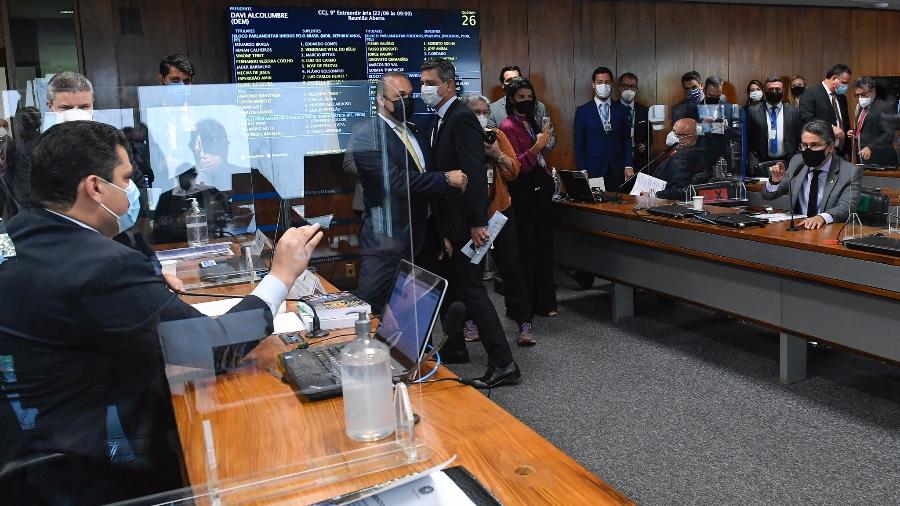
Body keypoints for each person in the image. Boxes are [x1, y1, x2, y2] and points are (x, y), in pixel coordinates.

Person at [0, 120, 324, 504]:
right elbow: (216, 348)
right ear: (94, 187)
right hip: (92, 467)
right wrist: (281, 276)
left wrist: (142, 287)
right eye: (125, 178)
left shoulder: (18, 236)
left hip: (34, 445)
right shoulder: (98, 266)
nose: (132, 192)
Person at [419, 58, 520, 387]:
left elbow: (474, 175)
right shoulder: (439, 120)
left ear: (447, 85)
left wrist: (478, 223)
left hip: (469, 222)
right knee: (463, 287)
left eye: (429, 83)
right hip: (452, 222)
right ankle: (458, 348)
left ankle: (504, 363)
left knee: (474, 290)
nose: (424, 89)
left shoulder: (461, 119)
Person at [349, 71, 467, 313]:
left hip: (424, 236)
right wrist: (445, 178)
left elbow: (427, 183)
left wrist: (441, 232)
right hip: (389, 238)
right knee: (373, 304)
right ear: (382, 100)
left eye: (410, 96)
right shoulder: (366, 134)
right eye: (400, 97)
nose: (407, 102)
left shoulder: (415, 130)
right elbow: (393, 181)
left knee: (422, 307)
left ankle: (424, 352)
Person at [461, 93, 537, 346]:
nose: (482, 116)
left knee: (512, 267)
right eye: (475, 112)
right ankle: (471, 320)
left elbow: (514, 170)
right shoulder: (459, 137)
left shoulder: (498, 135)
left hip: (500, 210)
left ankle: (524, 321)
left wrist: (496, 154)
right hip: (472, 215)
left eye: (485, 112)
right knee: (473, 271)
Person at [498, 78, 558, 319]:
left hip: (540, 191)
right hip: (523, 193)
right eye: (521, 97)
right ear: (511, 99)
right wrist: (536, 147)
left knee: (543, 247)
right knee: (526, 249)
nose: (526, 101)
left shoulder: (531, 121)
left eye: (529, 97)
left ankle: (544, 301)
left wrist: (543, 143)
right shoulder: (507, 126)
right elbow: (515, 166)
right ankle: (525, 306)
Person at [763, 119, 861, 229]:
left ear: (831, 147)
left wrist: (822, 218)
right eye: (804, 145)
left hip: (828, 231)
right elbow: (769, 195)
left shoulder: (849, 171)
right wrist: (774, 181)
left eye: (814, 145)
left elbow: (847, 206)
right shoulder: (797, 162)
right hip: (799, 229)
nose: (808, 150)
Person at [573, 66, 634, 191]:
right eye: (599, 82)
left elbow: (627, 139)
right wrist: (582, 169)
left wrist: (628, 165)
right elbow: (578, 143)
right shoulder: (582, 111)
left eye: (607, 82)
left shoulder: (621, 110)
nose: (603, 86)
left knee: (618, 206)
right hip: (593, 169)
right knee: (597, 206)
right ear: (593, 84)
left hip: (618, 169)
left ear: (611, 84)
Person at [487, 65, 556, 154]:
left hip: (538, 162)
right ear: (503, 85)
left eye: (516, 79)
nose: (513, 83)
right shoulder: (493, 109)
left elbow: (550, 134)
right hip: (510, 163)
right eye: (509, 80)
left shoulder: (539, 106)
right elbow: (492, 142)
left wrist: (541, 150)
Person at [639, 118, 707, 200]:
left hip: (665, 205)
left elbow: (679, 189)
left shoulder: (683, 157)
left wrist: (653, 195)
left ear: (689, 138)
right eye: (672, 131)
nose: (671, 135)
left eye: (676, 134)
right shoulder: (692, 151)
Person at [747, 76, 802, 176]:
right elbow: (749, 141)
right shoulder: (753, 111)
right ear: (764, 91)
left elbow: (799, 139)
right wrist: (753, 164)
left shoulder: (794, 111)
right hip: (761, 163)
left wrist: (796, 162)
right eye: (770, 89)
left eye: (777, 89)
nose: (774, 92)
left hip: (788, 163)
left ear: (783, 91)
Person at [800, 64, 851, 157]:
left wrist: (847, 149)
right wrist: (830, 128)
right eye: (844, 82)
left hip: (841, 152)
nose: (846, 86)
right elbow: (807, 119)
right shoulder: (811, 94)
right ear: (834, 78)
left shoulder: (842, 98)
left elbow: (845, 124)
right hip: (821, 151)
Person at [850, 76, 899, 167]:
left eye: (863, 94)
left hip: (881, 160)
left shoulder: (884, 107)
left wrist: (871, 148)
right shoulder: (861, 107)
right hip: (864, 159)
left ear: (873, 90)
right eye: (858, 95)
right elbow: (867, 127)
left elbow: (888, 134)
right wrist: (854, 132)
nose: (861, 98)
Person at [617, 72, 652, 171]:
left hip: (639, 161)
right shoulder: (612, 108)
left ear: (636, 89)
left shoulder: (644, 111)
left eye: (632, 86)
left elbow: (650, 136)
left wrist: (645, 145)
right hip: (618, 160)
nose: (629, 89)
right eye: (625, 86)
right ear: (619, 88)